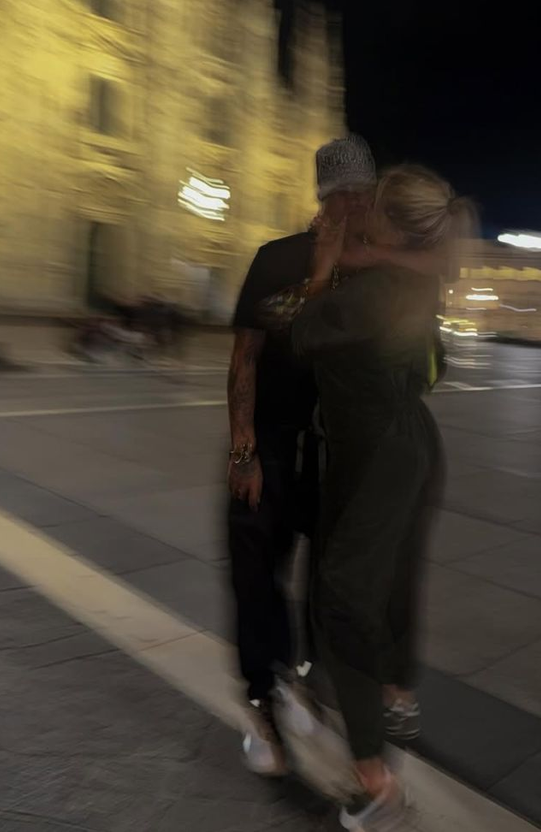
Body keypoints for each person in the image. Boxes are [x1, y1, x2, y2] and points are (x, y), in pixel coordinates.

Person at [259, 165, 472, 829]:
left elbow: (291, 326)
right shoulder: (414, 276)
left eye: (373, 208)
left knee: (344, 599)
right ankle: (387, 697)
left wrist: (324, 265)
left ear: (389, 226)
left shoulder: (373, 291)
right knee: (387, 580)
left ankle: (375, 781)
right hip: (404, 444)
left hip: (379, 454)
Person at [226, 135, 379, 775]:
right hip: (270, 444)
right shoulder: (276, 258)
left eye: (363, 196)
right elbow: (247, 357)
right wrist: (243, 453)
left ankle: (302, 681)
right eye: (345, 196)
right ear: (324, 198)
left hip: (332, 452)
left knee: (327, 583)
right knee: (256, 575)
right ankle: (263, 703)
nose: (354, 206)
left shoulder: (371, 272)